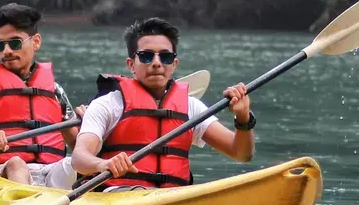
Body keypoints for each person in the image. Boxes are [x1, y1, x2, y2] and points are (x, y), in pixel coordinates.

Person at [72, 16, 255, 189]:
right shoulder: (108, 104)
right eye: (146, 56)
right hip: (118, 195)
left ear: (174, 64)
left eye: (165, 57)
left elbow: (241, 153)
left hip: (174, 196)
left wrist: (243, 118)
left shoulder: (191, 107)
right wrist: (103, 164)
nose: (157, 63)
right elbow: (79, 158)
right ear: (131, 64)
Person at [0, 3, 80, 188]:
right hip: (3, 173)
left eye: (14, 43)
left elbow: (77, 145)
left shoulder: (55, 92)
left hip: (51, 170)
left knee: (80, 164)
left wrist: (90, 126)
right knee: (16, 163)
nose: (6, 51)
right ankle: (24, 204)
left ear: (36, 41)